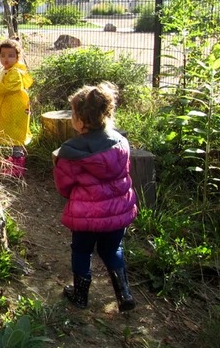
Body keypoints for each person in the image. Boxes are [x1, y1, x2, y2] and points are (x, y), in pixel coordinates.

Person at [54, 82, 137, 312]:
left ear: (80, 120)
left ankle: (80, 296)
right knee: (112, 249)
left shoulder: (70, 150)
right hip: (117, 213)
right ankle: (124, 294)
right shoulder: (121, 142)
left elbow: (64, 185)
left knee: (81, 251)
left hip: (86, 216)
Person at [0, 39, 33, 177]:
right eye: (3, 55)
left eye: (11, 55)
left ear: (17, 57)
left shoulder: (15, 72)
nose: (6, 58)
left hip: (17, 109)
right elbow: (3, 91)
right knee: (13, 133)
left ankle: (18, 166)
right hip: (11, 108)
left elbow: (8, 88)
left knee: (17, 134)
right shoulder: (7, 71)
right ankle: (15, 159)